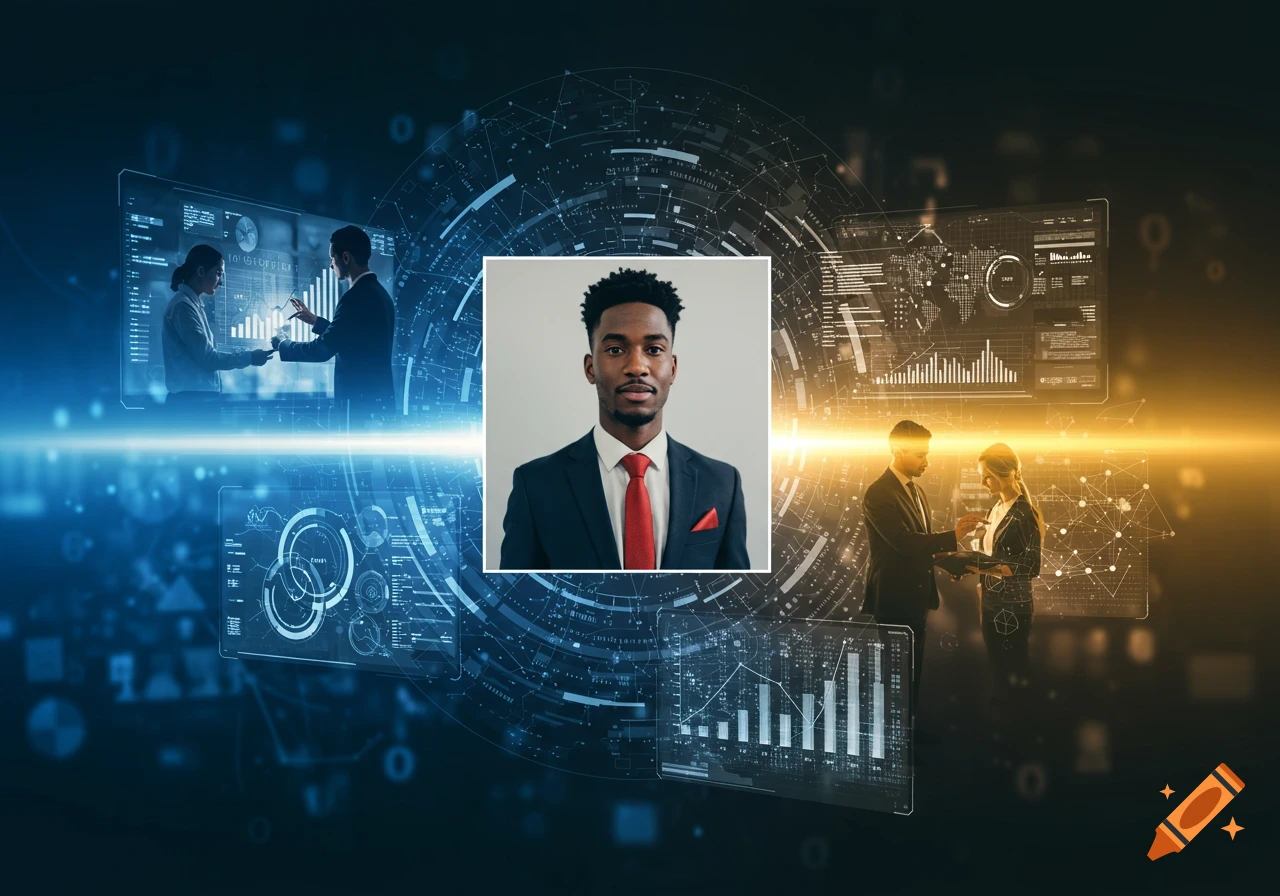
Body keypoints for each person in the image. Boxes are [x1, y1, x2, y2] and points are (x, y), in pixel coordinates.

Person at [499, 267, 749, 571]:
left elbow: (735, 601)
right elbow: (518, 597)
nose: (637, 366)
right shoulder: (535, 484)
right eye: (616, 349)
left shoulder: (722, 483)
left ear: (672, 368)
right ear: (591, 368)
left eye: (653, 349)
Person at [861, 420, 984, 711]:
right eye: (920, 455)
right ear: (897, 450)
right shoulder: (878, 493)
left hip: (915, 597)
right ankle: (897, 741)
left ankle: (908, 735)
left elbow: (918, 549)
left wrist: (952, 560)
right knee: (895, 676)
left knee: (910, 673)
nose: (926, 462)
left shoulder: (916, 492)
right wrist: (952, 536)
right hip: (894, 599)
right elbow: (903, 542)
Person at [273, 226, 396, 419]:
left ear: (345, 257)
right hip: (376, 404)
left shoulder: (354, 297)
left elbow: (321, 350)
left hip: (358, 408)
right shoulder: (380, 294)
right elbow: (354, 340)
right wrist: (316, 321)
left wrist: (283, 345)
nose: (331, 265)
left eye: (332, 258)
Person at [970, 442, 1044, 708]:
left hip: (1013, 604)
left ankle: (1019, 725)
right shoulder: (995, 510)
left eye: (987, 475)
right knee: (998, 669)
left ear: (1009, 472)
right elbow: (993, 554)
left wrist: (981, 568)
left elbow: (1031, 566)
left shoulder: (1026, 513)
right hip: (990, 599)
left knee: (1014, 670)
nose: (982, 481)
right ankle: (1004, 726)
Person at [162, 244, 273, 407]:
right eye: (218, 273)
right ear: (201, 272)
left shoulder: (191, 304)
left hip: (195, 401)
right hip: (191, 406)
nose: (220, 282)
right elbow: (209, 359)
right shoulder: (183, 307)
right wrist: (250, 357)